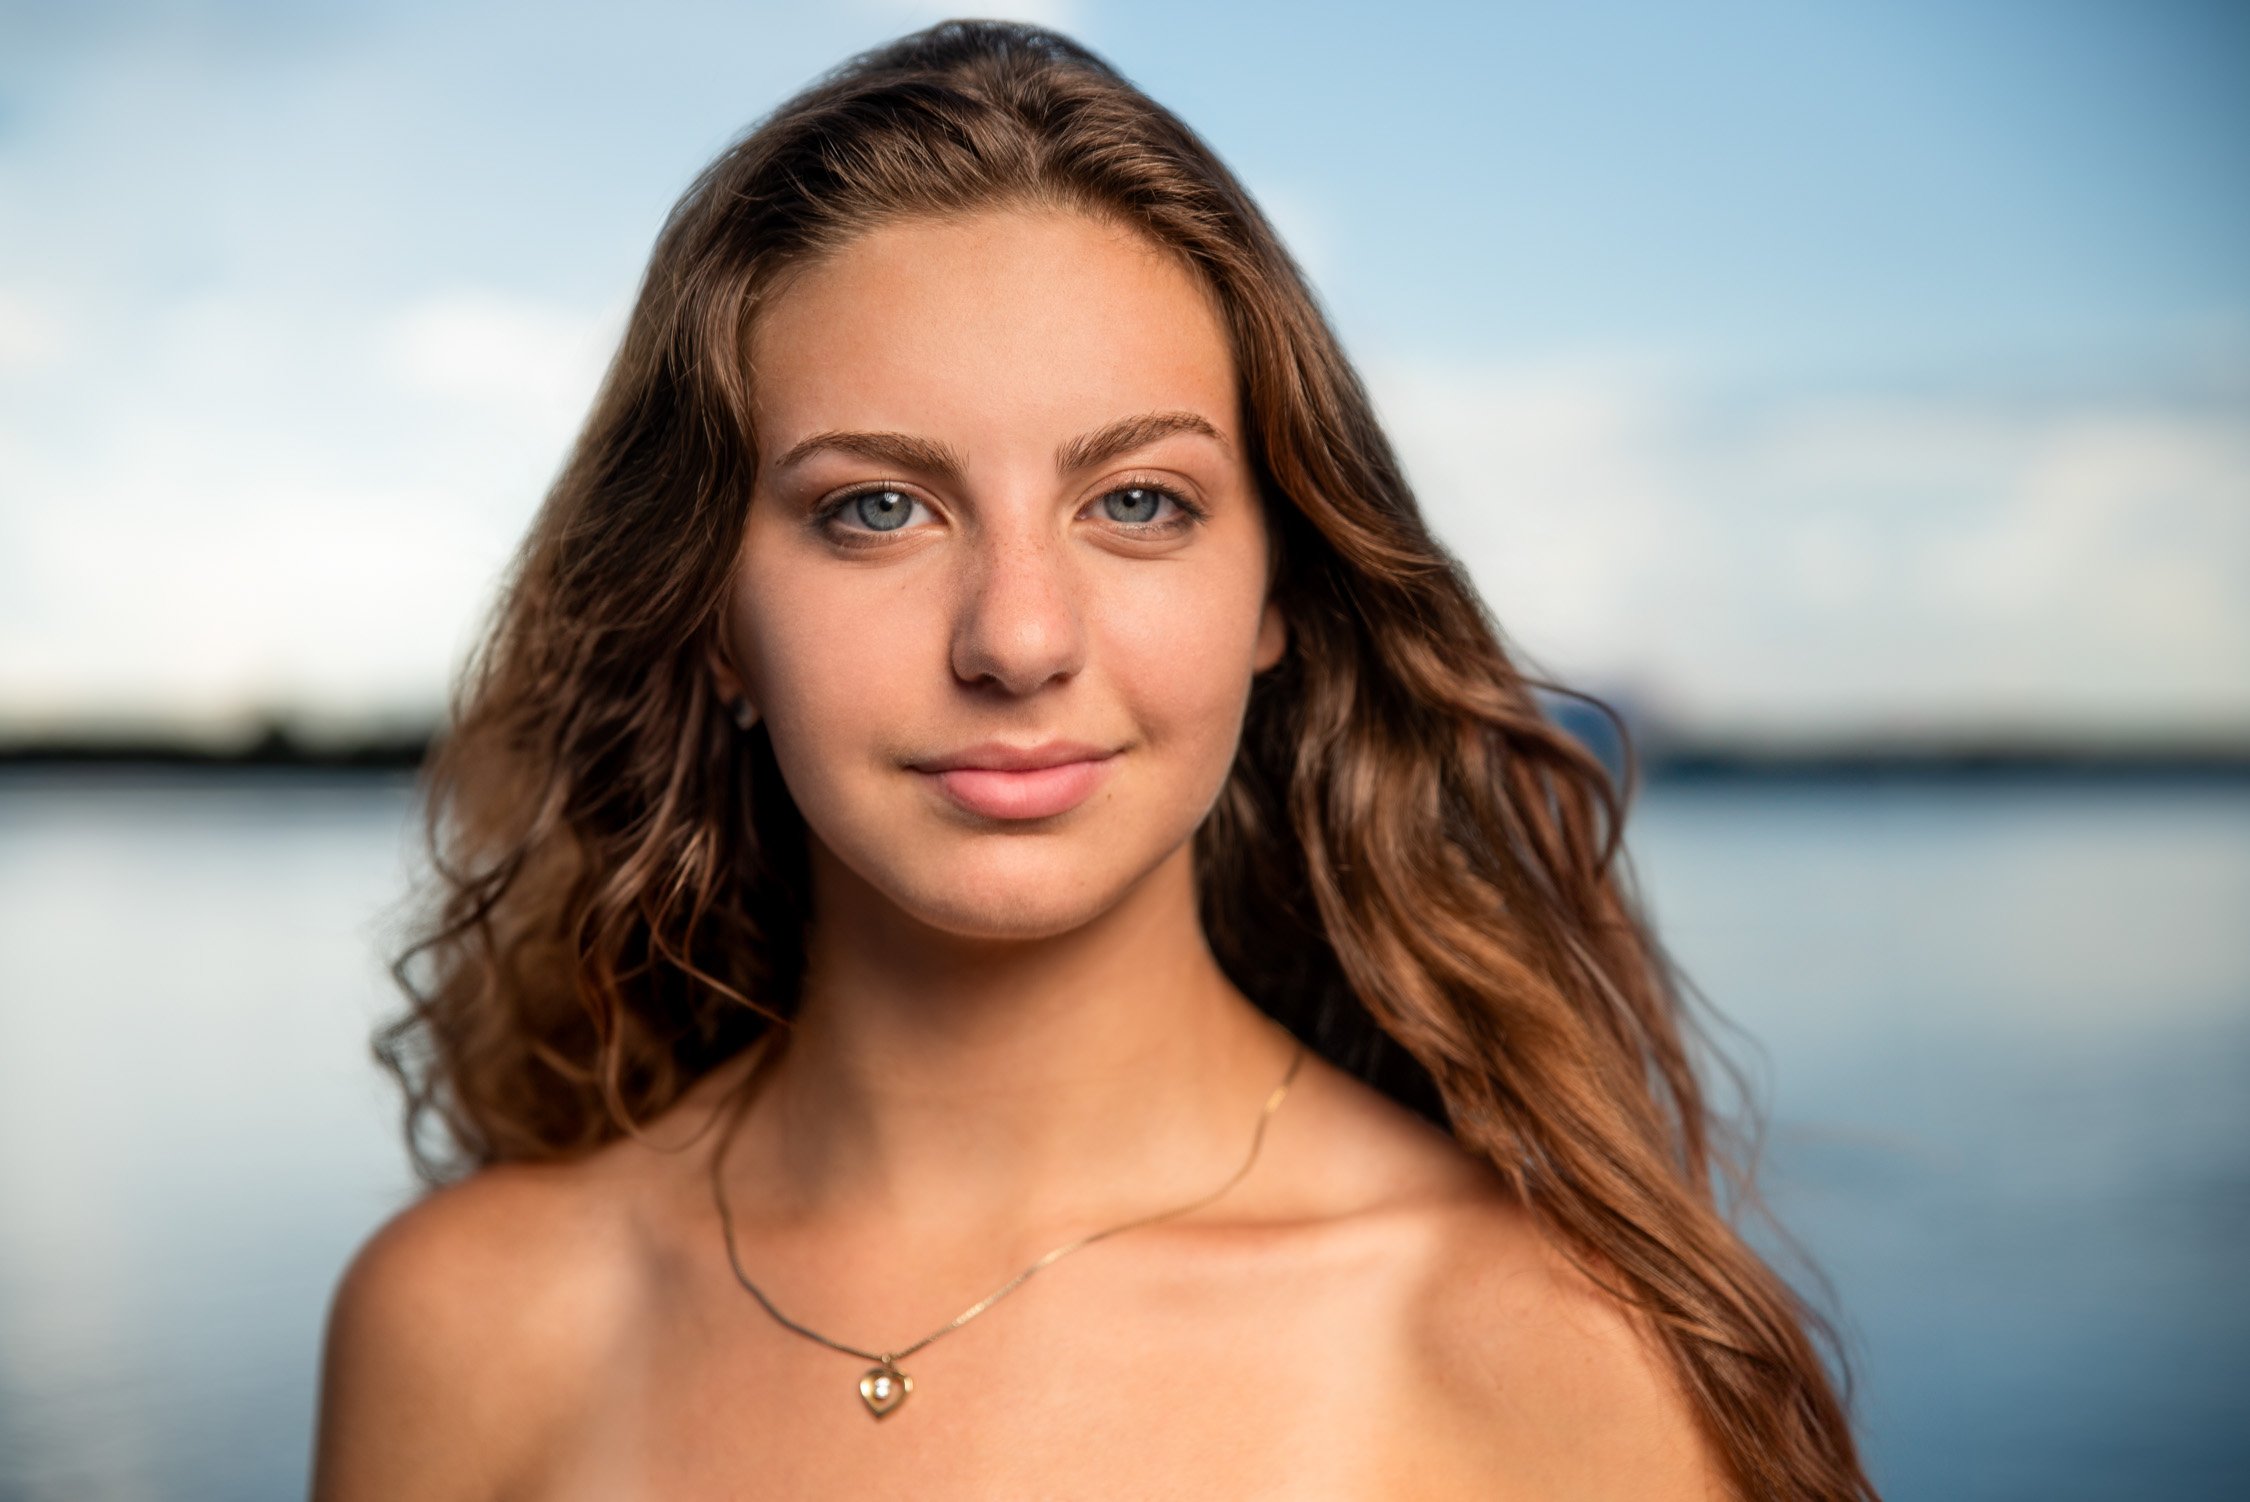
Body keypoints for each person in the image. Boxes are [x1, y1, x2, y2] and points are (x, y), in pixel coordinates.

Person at [311, 19, 1877, 1500]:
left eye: (1137, 501)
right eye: (875, 507)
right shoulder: (461, 1323)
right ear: (712, 614)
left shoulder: (1545, 1351)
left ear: (1278, 589)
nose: (1018, 637)